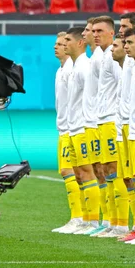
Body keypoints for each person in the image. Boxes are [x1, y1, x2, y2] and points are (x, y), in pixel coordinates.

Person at [115, 13, 135, 242]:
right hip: (127, 125)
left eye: (125, 28)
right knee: (132, 178)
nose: (121, 31)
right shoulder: (130, 62)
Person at [92, 16, 124, 236]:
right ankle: (111, 221)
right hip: (101, 120)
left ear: (112, 33)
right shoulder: (101, 56)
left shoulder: (112, 57)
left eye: (100, 31)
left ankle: (120, 223)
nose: (95, 34)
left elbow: (122, 86)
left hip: (112, 119)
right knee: (104, 170)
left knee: (113, 171)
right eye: (93, 31)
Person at [51, 32, 84, 235]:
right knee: (70, 173)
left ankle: (79, 217)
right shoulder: (62, 69)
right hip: (65, 127)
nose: (57, 46)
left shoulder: (74, 68)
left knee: (72, 172)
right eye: (56, 43)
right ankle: (78, 216)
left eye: (62, 43)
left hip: (74, 127)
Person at [74, 18, 104, 235]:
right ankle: (93, 219)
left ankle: (104, 221)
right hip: (87, 123)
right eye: (86, 29)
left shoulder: (97, 60)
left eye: (91, 30)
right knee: (90, 171)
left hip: (97, 122)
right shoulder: (90, 60)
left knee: (102, 172)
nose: (87, 33)